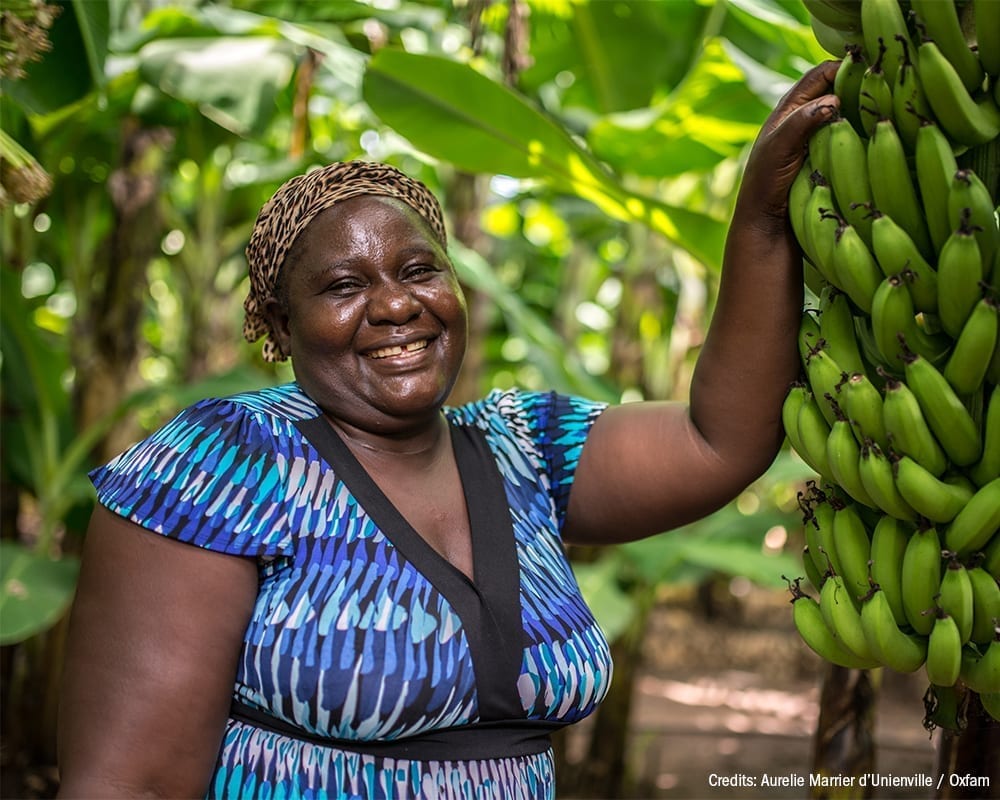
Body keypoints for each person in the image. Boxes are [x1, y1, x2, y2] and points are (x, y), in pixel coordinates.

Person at [55, 60, 840, 799]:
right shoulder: (221, 465)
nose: (397, 305)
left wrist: (762, 220)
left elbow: (719, 439)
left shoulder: (523, 448)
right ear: (278, 326)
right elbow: (130, 783)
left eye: (420, 270)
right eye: (343, 284)